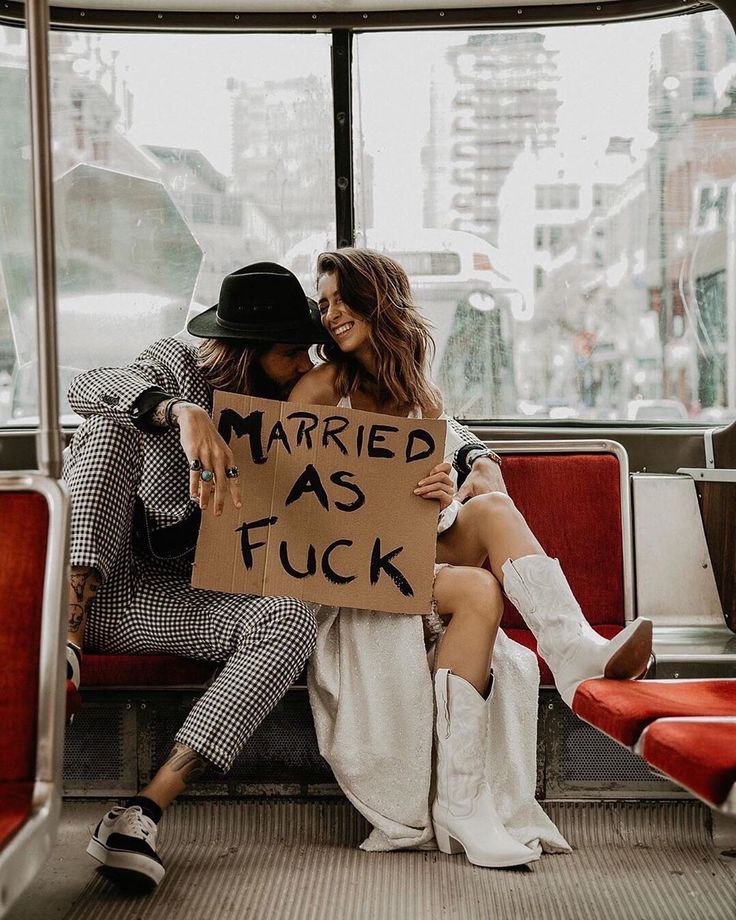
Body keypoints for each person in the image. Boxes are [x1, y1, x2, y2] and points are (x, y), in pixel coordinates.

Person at [63, 260, 497, 889]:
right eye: (291, 353)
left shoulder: (288, 404)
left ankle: (143, 811)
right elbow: (85, 386)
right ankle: (66, 644)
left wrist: (470, 458)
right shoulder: (173, 366)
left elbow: (423, 419)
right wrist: (180, 412)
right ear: (245, 351)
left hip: (171, 596)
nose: (303, 364)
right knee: (105, 427)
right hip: (97, 581)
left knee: (288, 617)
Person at [289, 247, 653, 868]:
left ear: (376, 298)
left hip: (405, 550)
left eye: (340, 298)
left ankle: (568, 652)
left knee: (488, 509)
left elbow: (439, 492)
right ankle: (466, 800)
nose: (330, 314)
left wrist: (442, 493)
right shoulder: (320, 388)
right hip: (347, 565)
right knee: (480, 592)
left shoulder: (420, 395)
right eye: (322, 304)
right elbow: (292, 492)